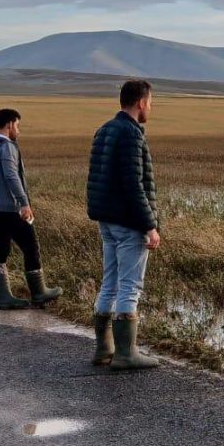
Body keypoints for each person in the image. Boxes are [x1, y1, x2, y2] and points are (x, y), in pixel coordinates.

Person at [86, 79, 161, 370]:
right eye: (150, 102)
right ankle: (126, 353)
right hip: (128, 221)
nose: (150, 108)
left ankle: (104, 349)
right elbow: (135, 185)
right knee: (130, 286)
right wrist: (150, 225)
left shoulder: (104, 130)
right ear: (141, 102)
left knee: (110, 283)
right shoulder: (131, 134)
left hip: (106, 219)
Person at [0, 108, 62, 311]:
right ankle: (39, 292)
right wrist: (23, 203)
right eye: (18, 126)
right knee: (31, 245)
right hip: (9, 207)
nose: (18, 132)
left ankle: (3, 297)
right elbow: (11, 176)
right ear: (10, 124)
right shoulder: (7, 147)